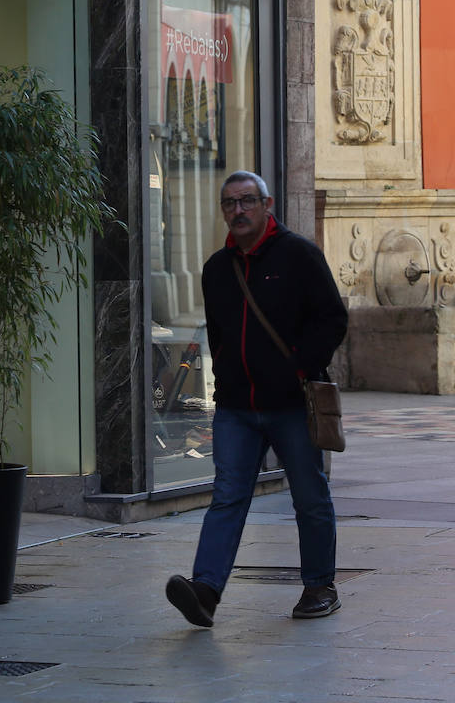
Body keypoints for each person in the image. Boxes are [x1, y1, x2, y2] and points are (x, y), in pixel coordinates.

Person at [166, 170, 349, 626]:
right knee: (227, 496)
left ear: (267, 205)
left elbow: (332, 319)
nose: (238, 211)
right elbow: (220, 333)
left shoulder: (299, 256)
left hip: (291, 404)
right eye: (229, 203)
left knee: (308, 494)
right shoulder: (216, 269)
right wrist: (225, 378)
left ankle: (319, 586)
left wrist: (301, 367)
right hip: (236, 408)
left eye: (247, 201)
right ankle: (205, 590)